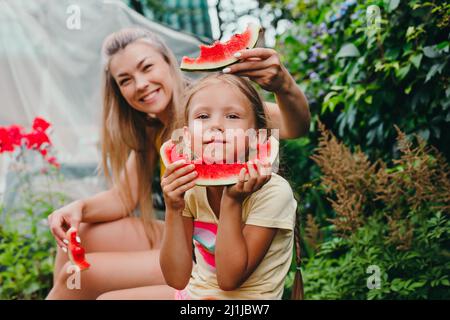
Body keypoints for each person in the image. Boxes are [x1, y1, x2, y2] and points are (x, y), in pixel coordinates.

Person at [46, 27, 309, 299]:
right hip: (190, 231)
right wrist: (78, 207)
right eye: (125, 80)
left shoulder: (213, 106)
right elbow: (123, 198)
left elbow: (295, 126)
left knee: (78, 274)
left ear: (168, 61)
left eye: (146, 67)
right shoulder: (151, 131)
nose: (140, 84)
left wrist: (284, 86)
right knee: (77, 233)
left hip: (210, 250)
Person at [160, 73, 298, 299]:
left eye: (232, 116)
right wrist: (173, 208)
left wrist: (232, 201)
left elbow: (228, 280)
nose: (216, 126)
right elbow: (176, 278)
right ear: (186, 136)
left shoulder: (274, 193)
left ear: (257, 137)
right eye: (203, 116)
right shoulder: (190, 187)